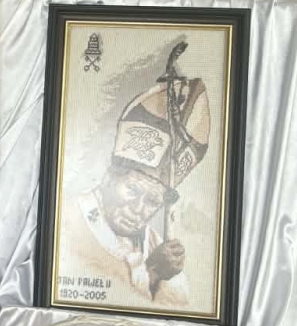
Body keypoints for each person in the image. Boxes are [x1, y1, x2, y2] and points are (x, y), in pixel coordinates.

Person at [58, 68, 210, 310]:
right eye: (132, 190)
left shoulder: (155, 243)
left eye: (152, 201)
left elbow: (174, 313)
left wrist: (167, 275)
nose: (138, 209)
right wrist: (151, 271)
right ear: (109, 178)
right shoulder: (66, 221)